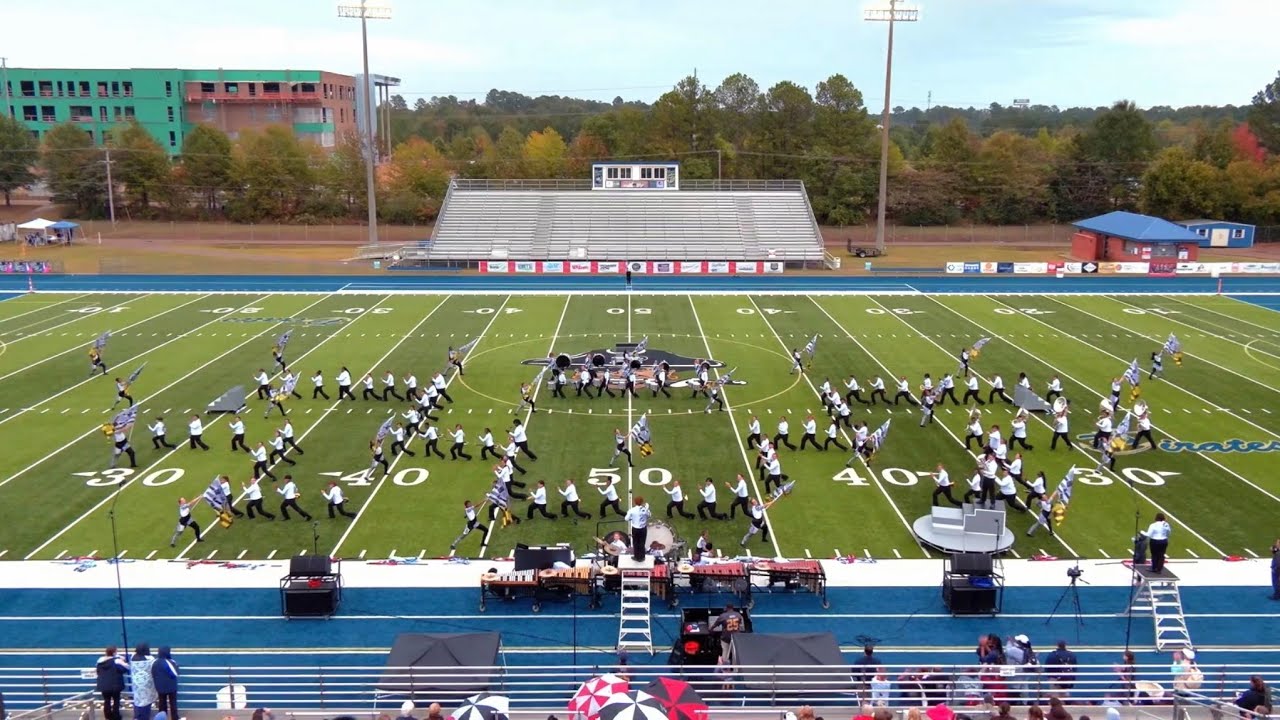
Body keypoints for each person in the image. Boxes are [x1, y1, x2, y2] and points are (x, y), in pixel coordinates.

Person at [96, 646, 129, 720]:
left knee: (107, 700)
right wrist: (123, 661)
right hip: (115, 685)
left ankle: (107, 716)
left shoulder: (100, 662)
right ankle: (116, 716)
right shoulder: (116, 661)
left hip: (103, 686)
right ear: (114, 652)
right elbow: (124, 669)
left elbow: (98, 672)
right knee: (116, 701)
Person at [150, 647, 180, 720]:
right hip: (171, 687)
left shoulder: (155, 662)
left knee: (162, 703)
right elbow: (175, 673)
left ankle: (162, 718)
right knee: (173, 703)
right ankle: (175, 717)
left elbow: (152, 673)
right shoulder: (170, 662)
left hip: (160, 687)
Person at [129, 644, 157, 720]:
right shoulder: (150, 659)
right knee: (146, 704)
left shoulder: (132, 658)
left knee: (137, 703)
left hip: (137, 684)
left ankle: (137, 717)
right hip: (147, 685)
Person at [625, 496, 651, 561]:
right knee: (642, 543)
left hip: (635, 529)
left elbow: (626, 518)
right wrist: (647, 509)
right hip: (643, 529)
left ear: (635, 502)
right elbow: (649, 515)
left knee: (636, 543)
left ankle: (636, 557)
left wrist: (632, 518)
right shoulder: (645, 509)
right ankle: (642, 557)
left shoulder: (632, 510)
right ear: (642, 502)